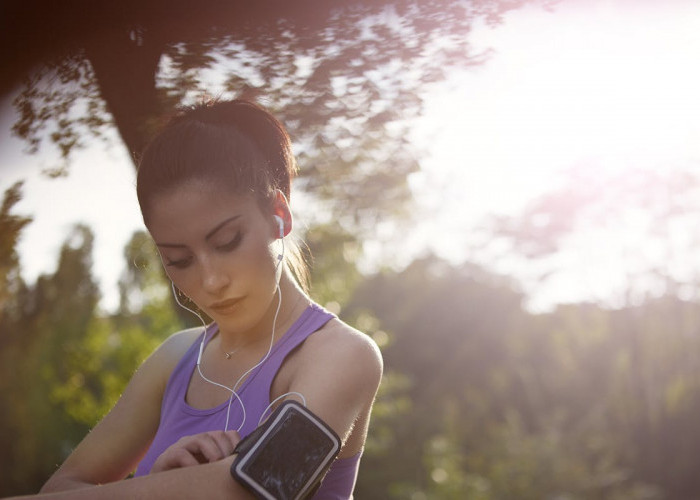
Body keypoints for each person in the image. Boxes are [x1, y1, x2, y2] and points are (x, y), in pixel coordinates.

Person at [15, 99, 383, 499]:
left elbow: (258, 485)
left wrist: (158, 486)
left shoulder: (343, 355)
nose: (210, 281)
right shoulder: (175, 358)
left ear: (279, 213)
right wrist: (159, 474)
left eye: (227, 242)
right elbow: (60, 488)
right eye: (179, 259)